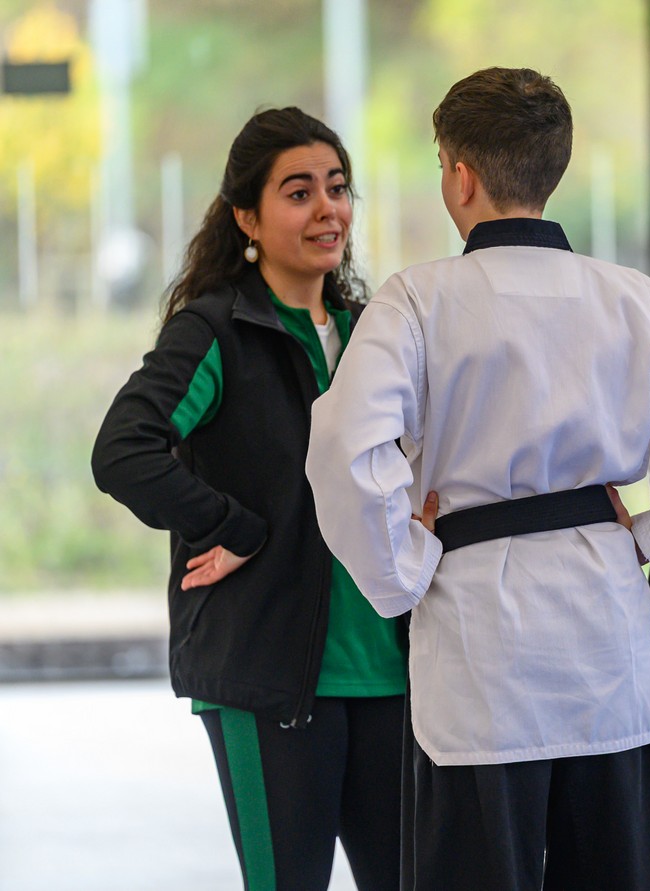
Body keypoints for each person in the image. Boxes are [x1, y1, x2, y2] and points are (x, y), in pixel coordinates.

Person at [305, 67, 650, 890]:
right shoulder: (631, 298)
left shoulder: (416, 301)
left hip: (476, 637)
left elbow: (346, 451)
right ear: (552, 169)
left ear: (460, 177)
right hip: (603, 622)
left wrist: (402, 563)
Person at [91, 107, 406, 891]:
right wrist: (232, 525)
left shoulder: (374, 335)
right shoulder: (216, 332)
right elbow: (125, 449)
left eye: (337, 187)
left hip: (391, 676)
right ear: (247, 218)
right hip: (270, 676)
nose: (327, 208)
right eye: (298, 193)